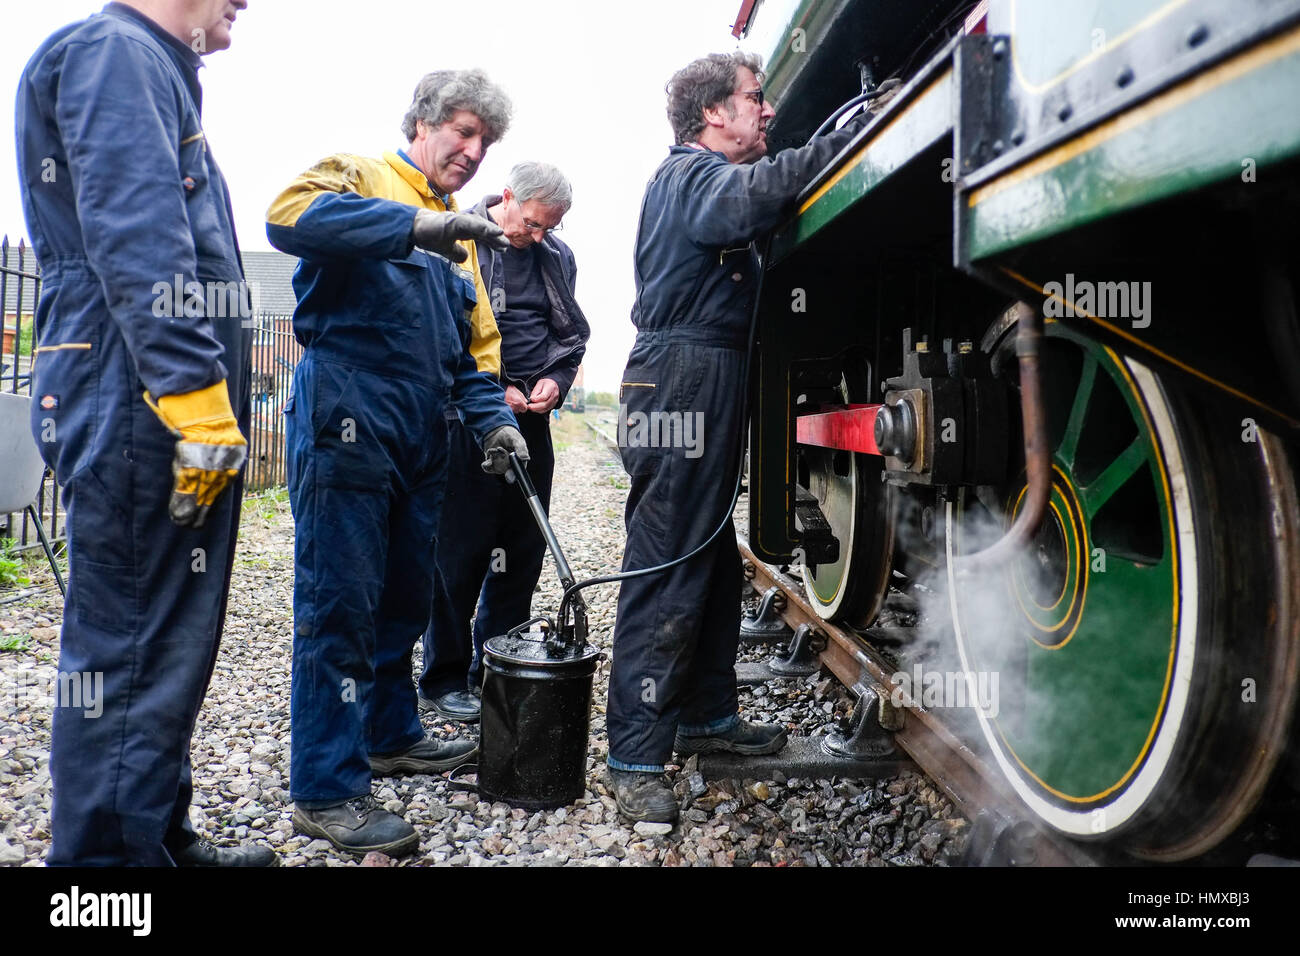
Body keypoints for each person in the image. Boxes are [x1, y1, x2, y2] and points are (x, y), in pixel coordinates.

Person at [14, 1, 274, 866]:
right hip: (138, 394)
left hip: (144, 390)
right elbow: (136, 230)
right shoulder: (117, 52)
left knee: (162, 635)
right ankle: (105, 879)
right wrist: (192, 389)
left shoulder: (150, 64)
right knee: (130, 643)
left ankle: (151, 834)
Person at [266, 69, 528, 858]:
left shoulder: (465, 240)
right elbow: (287, 217)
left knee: (406, 596)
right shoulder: (362, 174)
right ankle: (325, 787)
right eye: (462, 130)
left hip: (423, 427)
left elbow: (467, 357)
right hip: (347, 406)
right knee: (339, 600)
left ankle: (388, 734)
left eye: (485, 140)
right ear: (421, 123)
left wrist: (493, 423)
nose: (473, 151)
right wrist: (414, 227)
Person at [605, 52, 870, 823]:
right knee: (669, 559)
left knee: (712, 553)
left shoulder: (694, 175)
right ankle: (635, 755)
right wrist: (841, 137)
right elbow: (744, 203)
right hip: (681, 376)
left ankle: (706, 714)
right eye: (755, 99)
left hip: (699, 371)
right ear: (712, 114)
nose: (766, 111)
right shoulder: (690, 174)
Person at [419, 162, 589, 721]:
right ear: (509, 198)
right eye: (534, 224)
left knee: (521, 552)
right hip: (467, 422)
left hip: (531, 427)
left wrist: (554, 384)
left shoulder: (556, 258)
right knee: (459, 554)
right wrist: (494, 396)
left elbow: (570, 339)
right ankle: (443, 677)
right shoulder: (456, 239)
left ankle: (495, 666)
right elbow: (442, 336)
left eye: (550, 229)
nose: (538, 238)